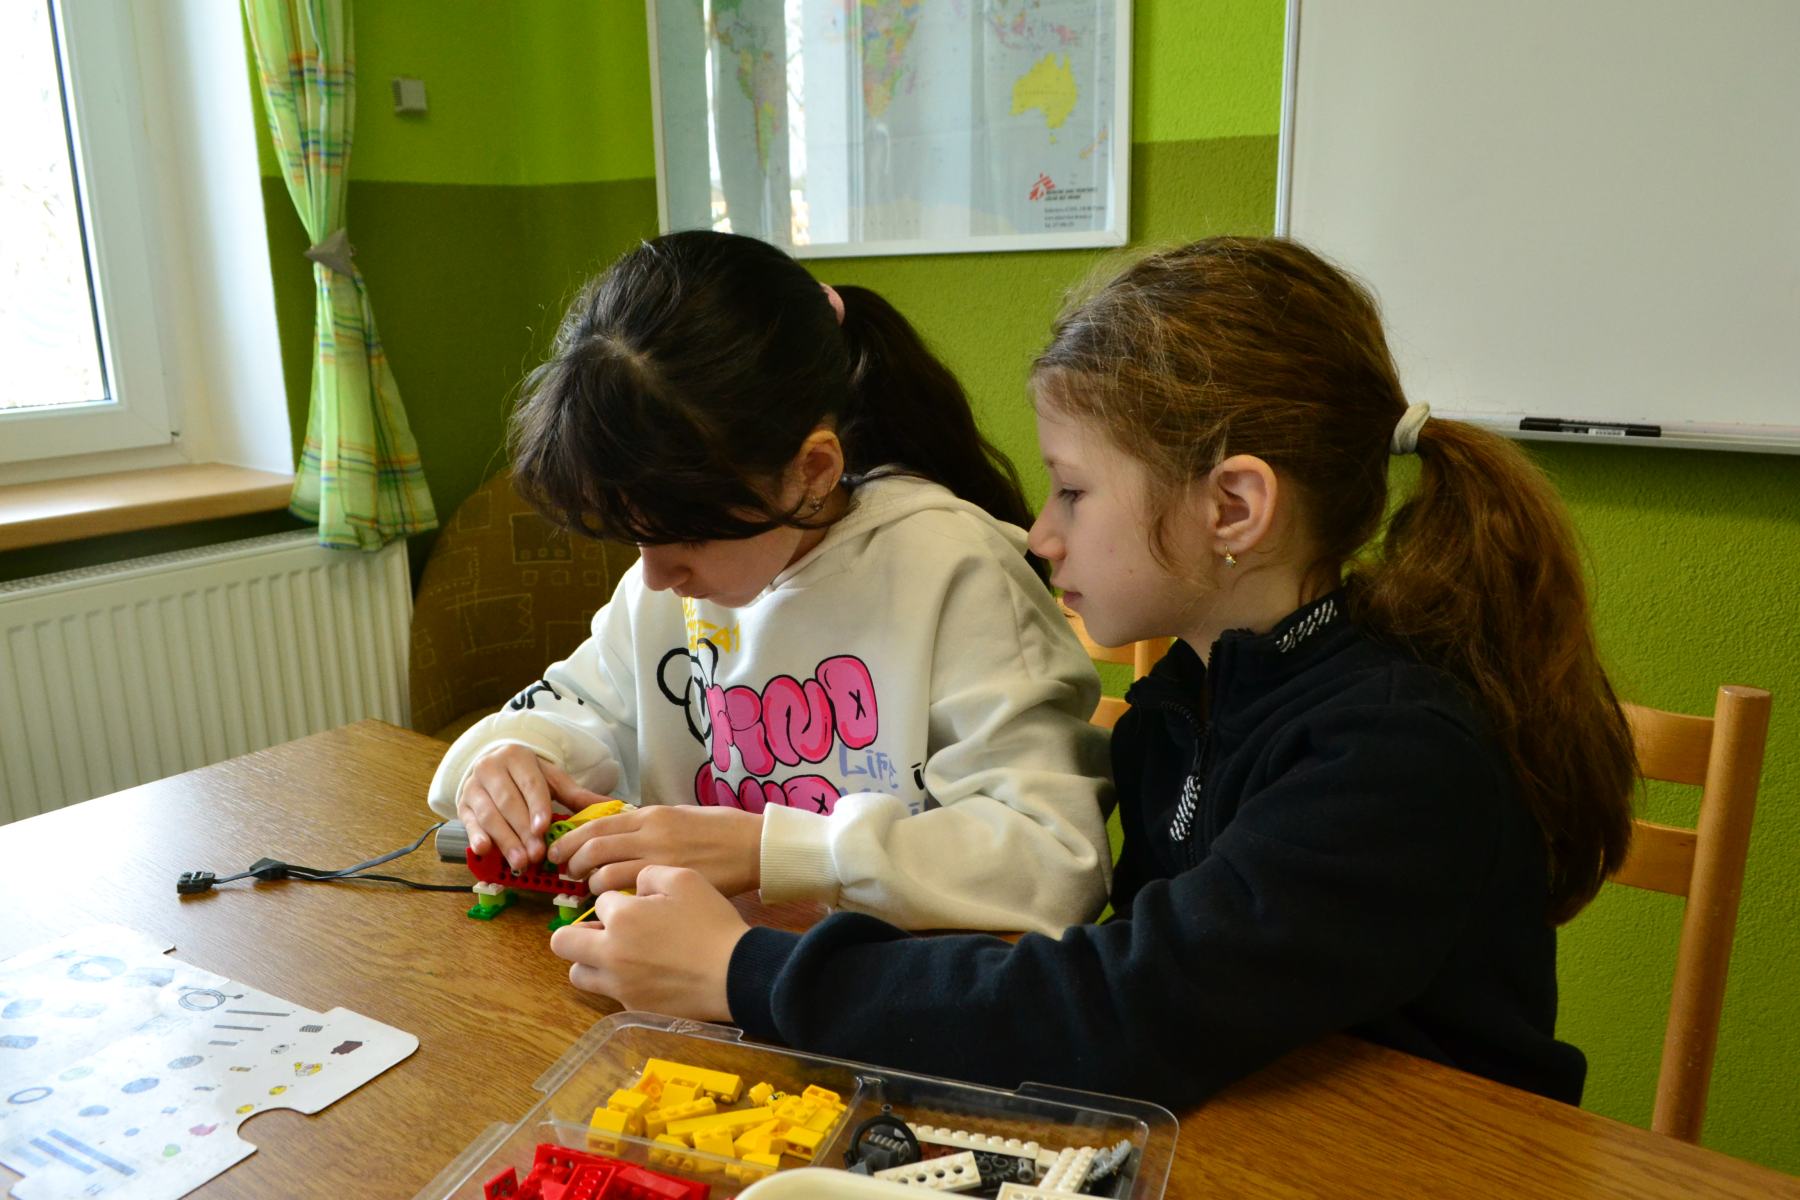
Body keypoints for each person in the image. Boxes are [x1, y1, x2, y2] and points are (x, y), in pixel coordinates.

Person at [548, 237, 1638, 1109]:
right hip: (1256, 1123)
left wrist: (743, 973)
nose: (1040, 533)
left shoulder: (1392, 756)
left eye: (1072, 490)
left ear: (1233, 508)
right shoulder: (1181, 705)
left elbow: (1122, 1010)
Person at [427, 230, 1112, 938]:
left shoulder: (955, 572)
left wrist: (774, 852)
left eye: (689, 534)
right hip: (695, 972)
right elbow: (573, 710)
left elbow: (1055, 861)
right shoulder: (664, 587)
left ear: (812, 471)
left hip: (890, 989)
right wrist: (508, 760)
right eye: (637, 535)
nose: (655, 576)